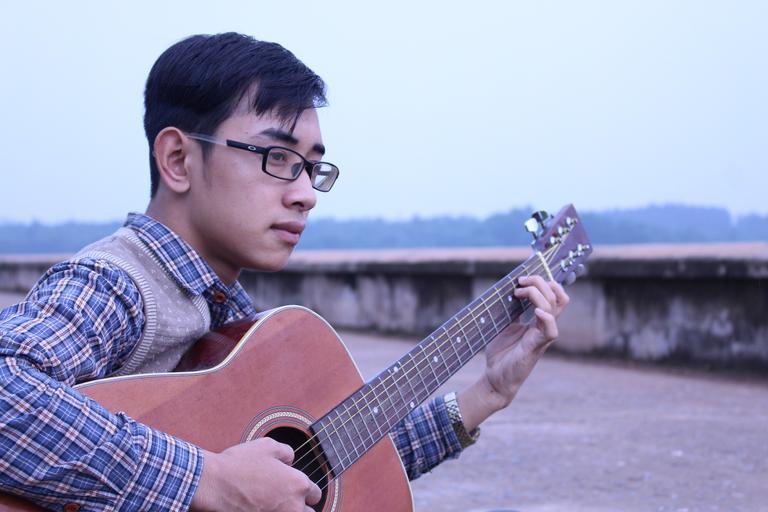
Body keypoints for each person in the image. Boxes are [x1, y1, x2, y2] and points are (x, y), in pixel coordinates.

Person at [0, 32, 569, 511]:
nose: (305, 195)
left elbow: (320, 467)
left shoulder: (232, 321)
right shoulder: (117, 283)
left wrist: (486, 394)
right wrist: (208, 480)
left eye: (313, 169)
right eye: (278, 158)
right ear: (178, 159)